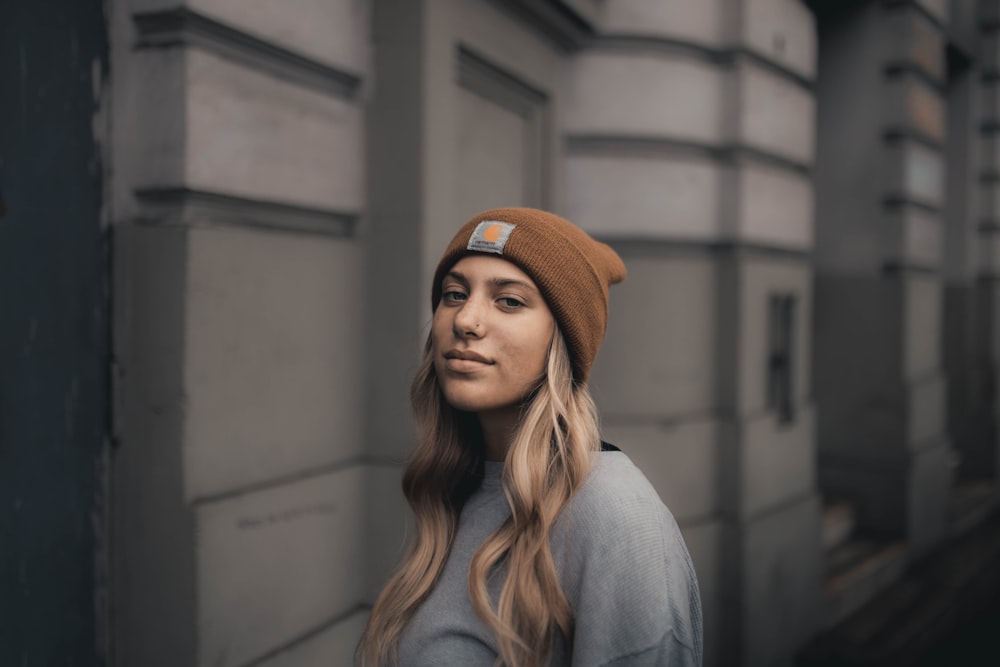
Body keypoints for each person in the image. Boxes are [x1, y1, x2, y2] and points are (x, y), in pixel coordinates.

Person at [357, 207, 702, 666]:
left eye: (510, 301)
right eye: (454, 294)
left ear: (561, 341)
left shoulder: (613, 513)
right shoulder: (461, 487)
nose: (466, 321)